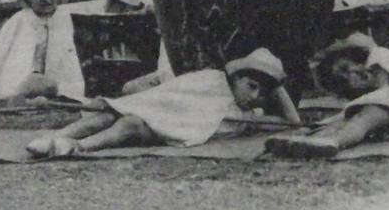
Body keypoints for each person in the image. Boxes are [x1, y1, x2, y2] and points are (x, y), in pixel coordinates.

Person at [25, 47, 300, 158]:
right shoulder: (210, 80)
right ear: (235, 76)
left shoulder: (248, 117)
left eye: (260, 92)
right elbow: (167, 98)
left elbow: (292, 123)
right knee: (113, 113)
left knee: (130, 124)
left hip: (162, 133)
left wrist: (276, 88)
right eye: (250, 86)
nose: (254, 96)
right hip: (154, 114)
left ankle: (78, 147)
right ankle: (55, 137)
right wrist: (133, 102)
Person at [265, 33, 389, 159]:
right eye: (344, 77)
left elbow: (369, 48)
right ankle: (308, 140)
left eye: (347, 66)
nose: (353, 72)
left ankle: (333, 142)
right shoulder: (371, 96)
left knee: (360, 121)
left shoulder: (382, 64)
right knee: (344, 120)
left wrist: (332, 49)